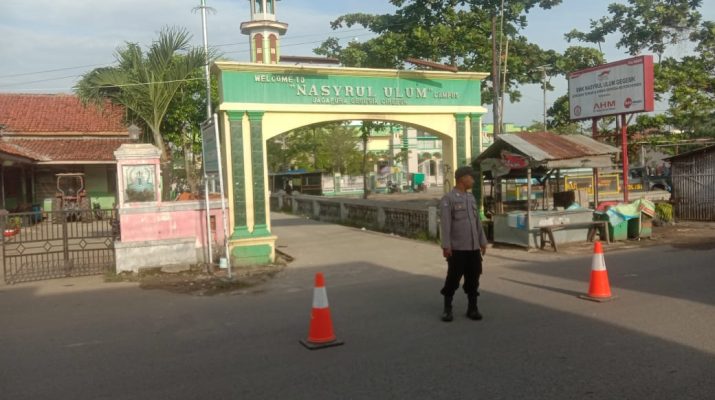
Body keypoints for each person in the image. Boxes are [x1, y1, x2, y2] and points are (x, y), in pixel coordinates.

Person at [439, 165, 488, 322]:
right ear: (462, 179)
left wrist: (482, 241)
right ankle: (447, 309)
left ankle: (472, 308)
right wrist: (446, 246)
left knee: (474, 279)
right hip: (457, 249)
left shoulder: (471, 198)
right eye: (471, 177)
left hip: (473, 248)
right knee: (453, 280)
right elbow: (445, 224)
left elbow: (477, 222)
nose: (473, 180)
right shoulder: (449, 199)